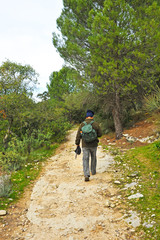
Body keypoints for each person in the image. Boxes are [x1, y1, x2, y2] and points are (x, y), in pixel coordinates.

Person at [75, 110, 102, 181]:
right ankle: (93, 171)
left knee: (85, 158)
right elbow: (100, 134)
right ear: (92, 116)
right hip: (94, 144)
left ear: (86, 116)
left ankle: (86, 174)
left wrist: (77, 143)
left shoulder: (82, 124)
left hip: (85, 145)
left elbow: (78, 135)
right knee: (93, 157)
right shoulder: (96, 124)